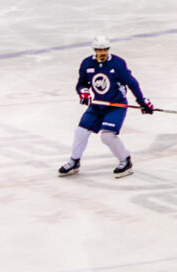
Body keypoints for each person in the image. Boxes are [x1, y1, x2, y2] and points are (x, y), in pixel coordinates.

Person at [60, 34, 153, 177]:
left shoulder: (117, 64)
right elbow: (81, 84)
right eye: (99, 49)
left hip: (116, 105)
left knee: (107, 136)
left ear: (108, 49)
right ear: (94, 50)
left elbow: (132, 83)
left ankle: (125, 160)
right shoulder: (87, 64)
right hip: (97, 105)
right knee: (80, 132)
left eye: (104, 49)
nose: (102, 53)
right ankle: (74, 161)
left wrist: (142, 101)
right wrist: (83, 92)